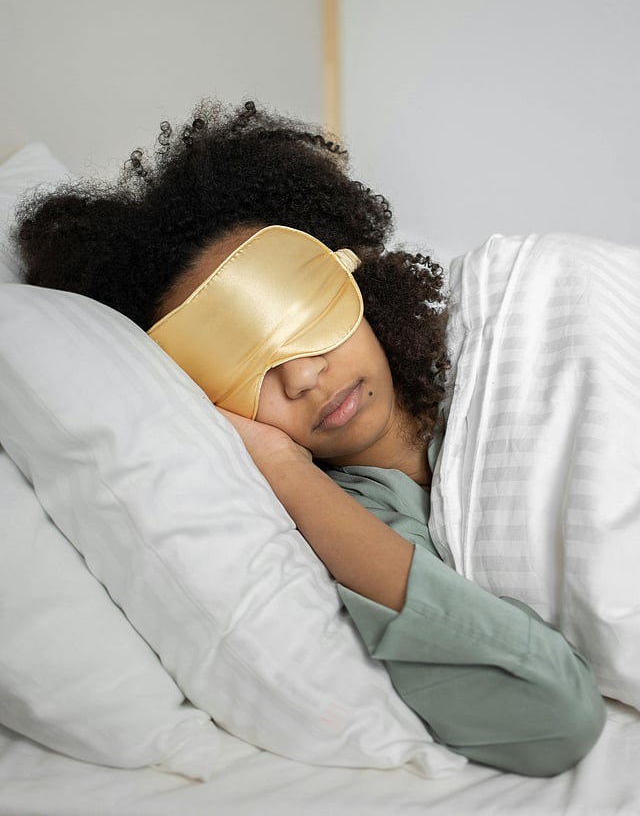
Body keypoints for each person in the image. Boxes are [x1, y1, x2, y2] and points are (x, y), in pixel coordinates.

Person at [14, 100, 606, 777]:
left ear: (347, 268)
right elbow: (556, 712)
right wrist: (282, 467)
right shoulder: (356, 524)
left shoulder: (501, 341)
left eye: (295, 308)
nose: (302, 376)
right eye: (237, 366)